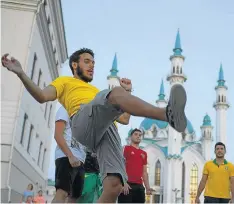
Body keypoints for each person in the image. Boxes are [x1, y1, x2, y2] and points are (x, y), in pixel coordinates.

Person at [1, 49, 187, 203]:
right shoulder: (65, 82)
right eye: (87, 62)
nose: (92, 66)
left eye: (93, 63)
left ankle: (167, 113)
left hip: (104, 129)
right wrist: (21, 73)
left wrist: (127, 93)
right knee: (114, 94)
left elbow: (124, 120)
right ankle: (166, 114)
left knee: (114, 185)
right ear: (75, 64)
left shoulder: (96, 91)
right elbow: (42, 96)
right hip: (82, 122)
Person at [52, 106, 86, 203]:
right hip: (66, 157)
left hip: (81, 159)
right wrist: (70, 156)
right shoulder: (65, 109)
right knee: (62, 193)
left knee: (74, 197)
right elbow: (57, 135)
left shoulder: (83, 114)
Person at [118, 128, 154, 203]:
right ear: (131, 137)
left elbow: (144, 172)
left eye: (140, 135)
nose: (138, 136)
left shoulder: (144, 153)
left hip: (139, 187)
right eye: (136, 134)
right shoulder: (125, 148)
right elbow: (119, 165)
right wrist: (123, 183)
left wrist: (147, 187)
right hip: (127, 185)